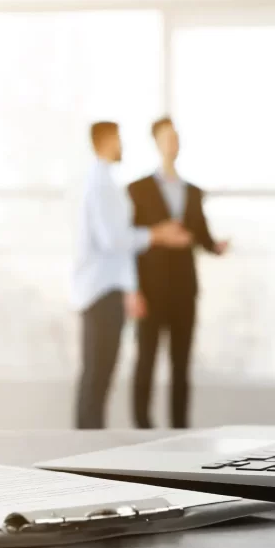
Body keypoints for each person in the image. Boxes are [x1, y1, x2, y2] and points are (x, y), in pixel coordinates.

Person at [73, 121, 192, 429]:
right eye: (119, 140)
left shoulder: (104, 182)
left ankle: (87, 448)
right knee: (97, 378)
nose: (122, 145)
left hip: (106, 288)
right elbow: (113, 240)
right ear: (107, 140)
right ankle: (84, 454)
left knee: (98, 378)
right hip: (101, 290)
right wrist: (157, 235)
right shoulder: (101, 185)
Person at [128, 116, 228, 429]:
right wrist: (132, 289)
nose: (173, 143)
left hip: (184, 289)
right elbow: (129, 239)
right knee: (146, 360)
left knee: (181, 365)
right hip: (150, 288)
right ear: (155, 142)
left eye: (177, 137)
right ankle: (142, 427)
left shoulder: (194, 192)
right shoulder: (137, 189)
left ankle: (180, 427)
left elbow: (202, 237)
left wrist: (216, 246)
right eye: (167, 137)